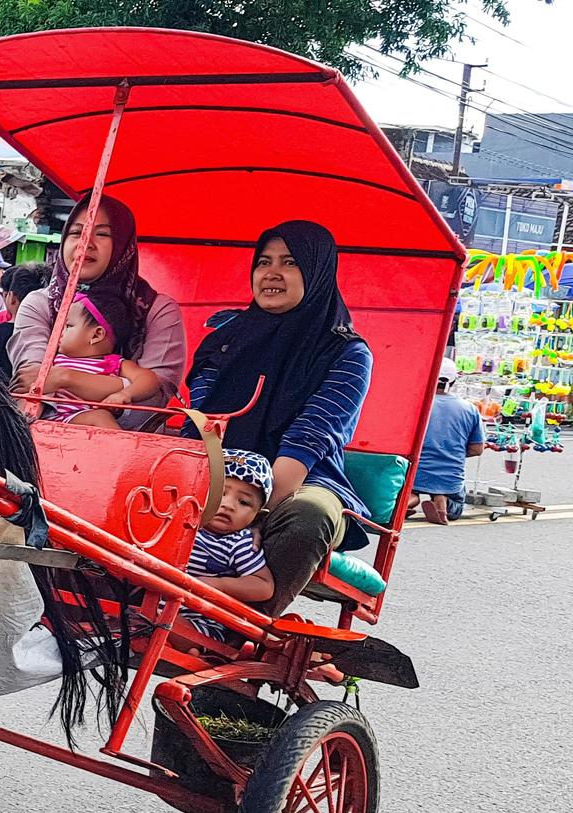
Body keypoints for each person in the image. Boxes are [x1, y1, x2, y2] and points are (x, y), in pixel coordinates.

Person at [187, 220, 372, 616]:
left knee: (311, 515)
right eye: (263, 262)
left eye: (289, 263)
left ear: (317, 271)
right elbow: (200, 428)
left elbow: (306, 443)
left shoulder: (348, 354)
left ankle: (247, 629)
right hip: (213, 470)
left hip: (299, 482)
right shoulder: (224, 339)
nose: (271, 273)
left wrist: (255, 512)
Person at [9, 196, 187, 430]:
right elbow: (32, 383)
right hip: (43, 441)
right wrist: (124, 386)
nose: (86, 243)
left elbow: (153, 399)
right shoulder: (39, 304)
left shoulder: (157, 310)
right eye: (75, 232)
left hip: (126, 452)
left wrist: (65, 378)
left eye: (101, 234)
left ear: (123, 244)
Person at [182, 451, 277, 644]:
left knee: (156, 623)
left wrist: (217, 584)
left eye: (243, 502)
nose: (228, 505)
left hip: (202, 621)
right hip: (158, 607)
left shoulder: (238, 542)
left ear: (256, 516)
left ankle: (192, 646)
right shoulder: (182, 523)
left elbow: (264, 586)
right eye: (219, 493)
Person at [35, 293, 160, 427]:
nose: (59, 332)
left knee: (101, 416)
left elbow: (149, 379)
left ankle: (123, 448)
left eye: (69, 326)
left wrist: (126, 394)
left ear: (97, 335)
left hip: (76, 420)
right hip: (44, 416)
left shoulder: (114, 364)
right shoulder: (53, 359)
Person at [410, 358, 485, 524]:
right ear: (453, 381)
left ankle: (409, 502)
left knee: (408, 490)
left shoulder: (417, 403)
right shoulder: (470, 408)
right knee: (457, 505)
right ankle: (442, 500)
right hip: (450, 476)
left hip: (415, 472)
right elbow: (477, 449)